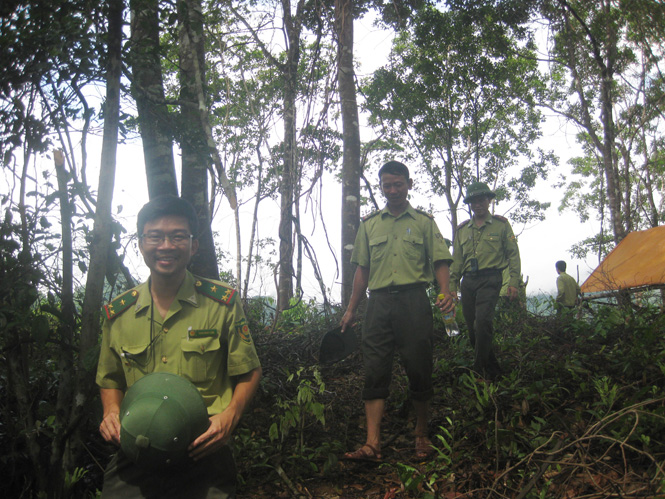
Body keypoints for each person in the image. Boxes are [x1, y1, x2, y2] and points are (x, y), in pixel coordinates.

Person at [96, 195, 262, 498]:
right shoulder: (119, 314)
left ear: (193, 245)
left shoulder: (221, 304)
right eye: (155, 236)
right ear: (141, 243)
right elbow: (109, 379)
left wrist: (230, 417)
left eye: (177, 236)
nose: (166, 246)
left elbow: (249, 370)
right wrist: (110, 411)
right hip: (138, 450)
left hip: (202, 454)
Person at [340, 160, 455, 461]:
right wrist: (352, 309)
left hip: (413, 301)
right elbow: (361, 271)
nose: (392, 190)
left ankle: (421, 434)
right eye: (387, 185)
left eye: (398, 184)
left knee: (419, 367)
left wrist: (445, 291)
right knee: (375, 371)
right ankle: (372, 443)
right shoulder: (370, 224)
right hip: (377, 304)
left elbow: (440, 261)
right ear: (381, 187)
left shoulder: (423, 222)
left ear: (409, 184)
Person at [449, 181, 521, 381]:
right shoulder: (463, 229)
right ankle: (493, 368)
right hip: (468, 281)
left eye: (481, 199)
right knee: (472, 328)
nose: (478, 204)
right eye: (473, 201)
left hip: (490, 279)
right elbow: (456, 260)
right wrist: (452, 286)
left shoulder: (501, 225)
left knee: (482, 323)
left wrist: (513, 282)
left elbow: (513, 254)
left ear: (488, 200)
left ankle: (478, 369)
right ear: (470, 204)